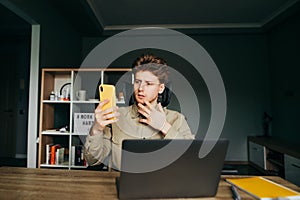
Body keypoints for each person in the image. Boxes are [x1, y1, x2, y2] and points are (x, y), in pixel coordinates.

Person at [84, 54, 194, 170]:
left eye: (148, 83)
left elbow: (191, 158)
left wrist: (164, 126)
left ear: (161, 88)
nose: (140, 88)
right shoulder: (115, 117)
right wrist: (96, 129)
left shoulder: (177, 119)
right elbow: (93, 161)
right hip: (120, 184)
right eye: (137, 82)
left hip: (161, 185)